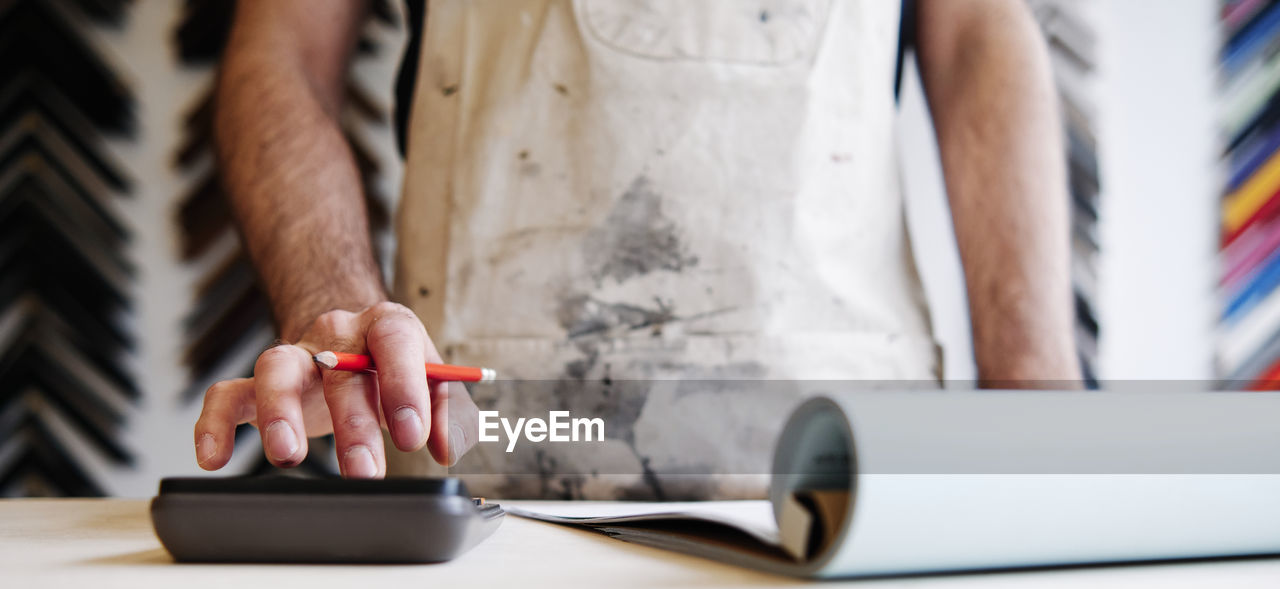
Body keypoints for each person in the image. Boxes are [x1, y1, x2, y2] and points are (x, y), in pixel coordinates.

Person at [194, 0, 1082, 494]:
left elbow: (976, 35)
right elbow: (284, 48)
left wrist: (1042, 410)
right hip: (493, 443)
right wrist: (331, 311)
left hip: (839, 434)